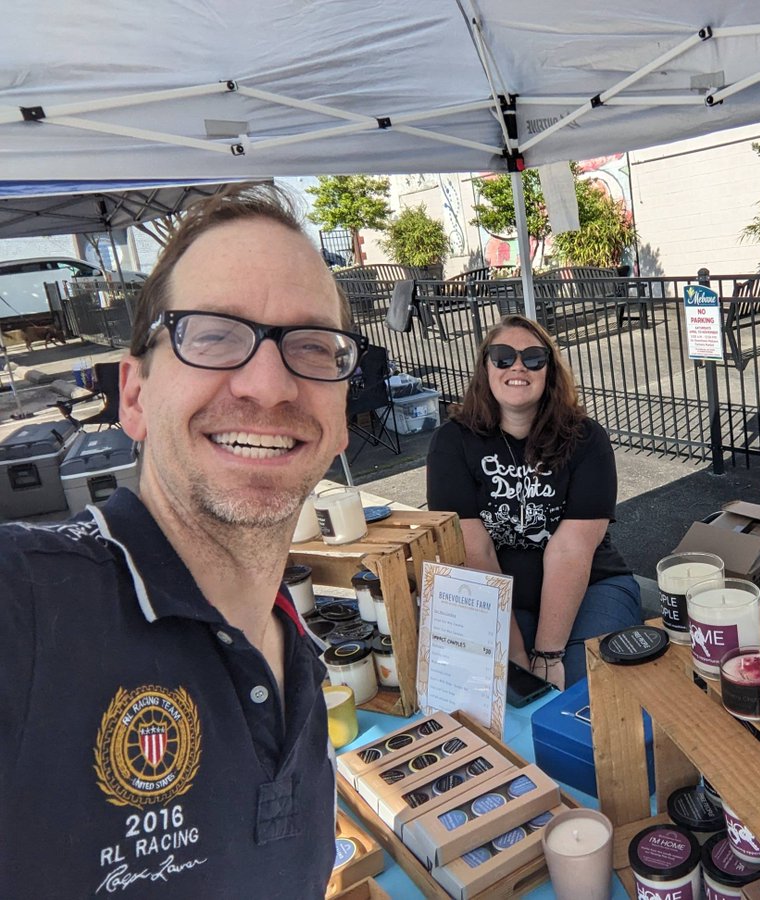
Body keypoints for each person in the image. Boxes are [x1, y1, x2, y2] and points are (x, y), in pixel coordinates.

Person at [0, 185, 364, 897]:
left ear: (343, 420)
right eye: (214, 335)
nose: (269, 386)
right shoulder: (30, 607)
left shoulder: (297, 654)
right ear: (134, 396)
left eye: (312, 346)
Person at [426, 315, 642, 689]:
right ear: (486, 367)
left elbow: (571, 549)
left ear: (549, 370)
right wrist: (511, 653)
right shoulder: (452, 442)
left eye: (533, 358)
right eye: (503, 356)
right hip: (500, 598)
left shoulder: (586, 439)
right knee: (496, 686)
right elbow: (475, 551)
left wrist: (548, 654)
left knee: (584, 687)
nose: (518, 366)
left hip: (591, 586)